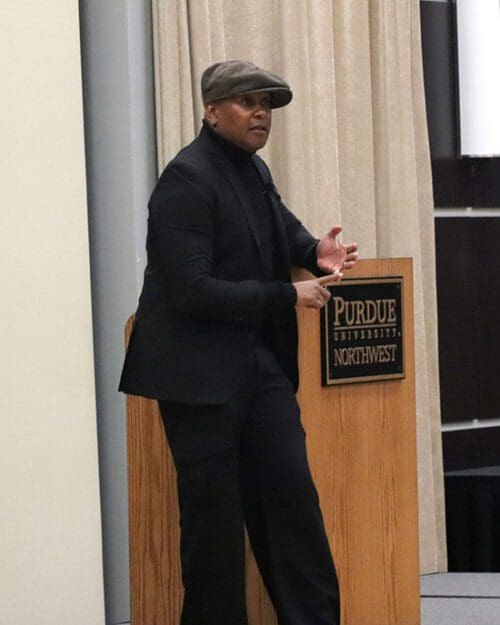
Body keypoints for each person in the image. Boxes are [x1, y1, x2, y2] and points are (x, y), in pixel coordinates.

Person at [119, 60, 358, 625]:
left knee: (293, 508)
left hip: (258, 365)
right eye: (248, 102)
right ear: (210, 110)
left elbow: (282, 230)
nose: (261, 114)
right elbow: (192, 290)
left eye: (267, 104)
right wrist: (286, 295)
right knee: (215, 531)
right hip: (199, 379)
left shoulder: (254, 171)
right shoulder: (186, 179)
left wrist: (313, 253)